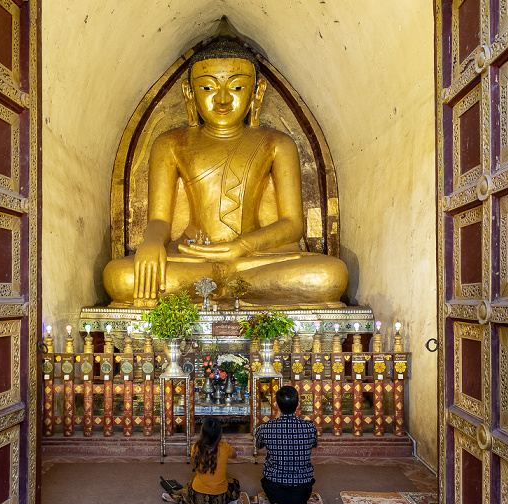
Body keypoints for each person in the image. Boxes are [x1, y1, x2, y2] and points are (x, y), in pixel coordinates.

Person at [104, 39, 347, 308]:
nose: (222, 99)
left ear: (257, 92)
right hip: (193, 257)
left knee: (329, 275)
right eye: (207, 87)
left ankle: (223, 288)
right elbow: (160, 219)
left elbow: (292, 224)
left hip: (253, 259)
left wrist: (241, 247)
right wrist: (150, 244)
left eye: (237, 87)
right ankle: (233, 290)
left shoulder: (277, 143)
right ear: (189, 92)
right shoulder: (170, 143)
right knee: (120, 277)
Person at [255, 385, 317, 504]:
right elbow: (314, 444)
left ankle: (278, 503)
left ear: (276, 405)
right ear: (298, 404)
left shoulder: (266, 427)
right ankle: (300, 503)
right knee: (304, 483)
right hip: (302, 487)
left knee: (266, 481)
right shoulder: (309, 426)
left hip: (275, 487)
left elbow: (258, 445)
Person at [161, 417, 240, 504]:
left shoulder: (196, 447)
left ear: (202, 432)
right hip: (220, 498)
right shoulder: (224, 447)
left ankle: (176, 498)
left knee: (191, 484)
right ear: (220, 433)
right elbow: (235, 455)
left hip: (199, 496)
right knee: (234, 483)